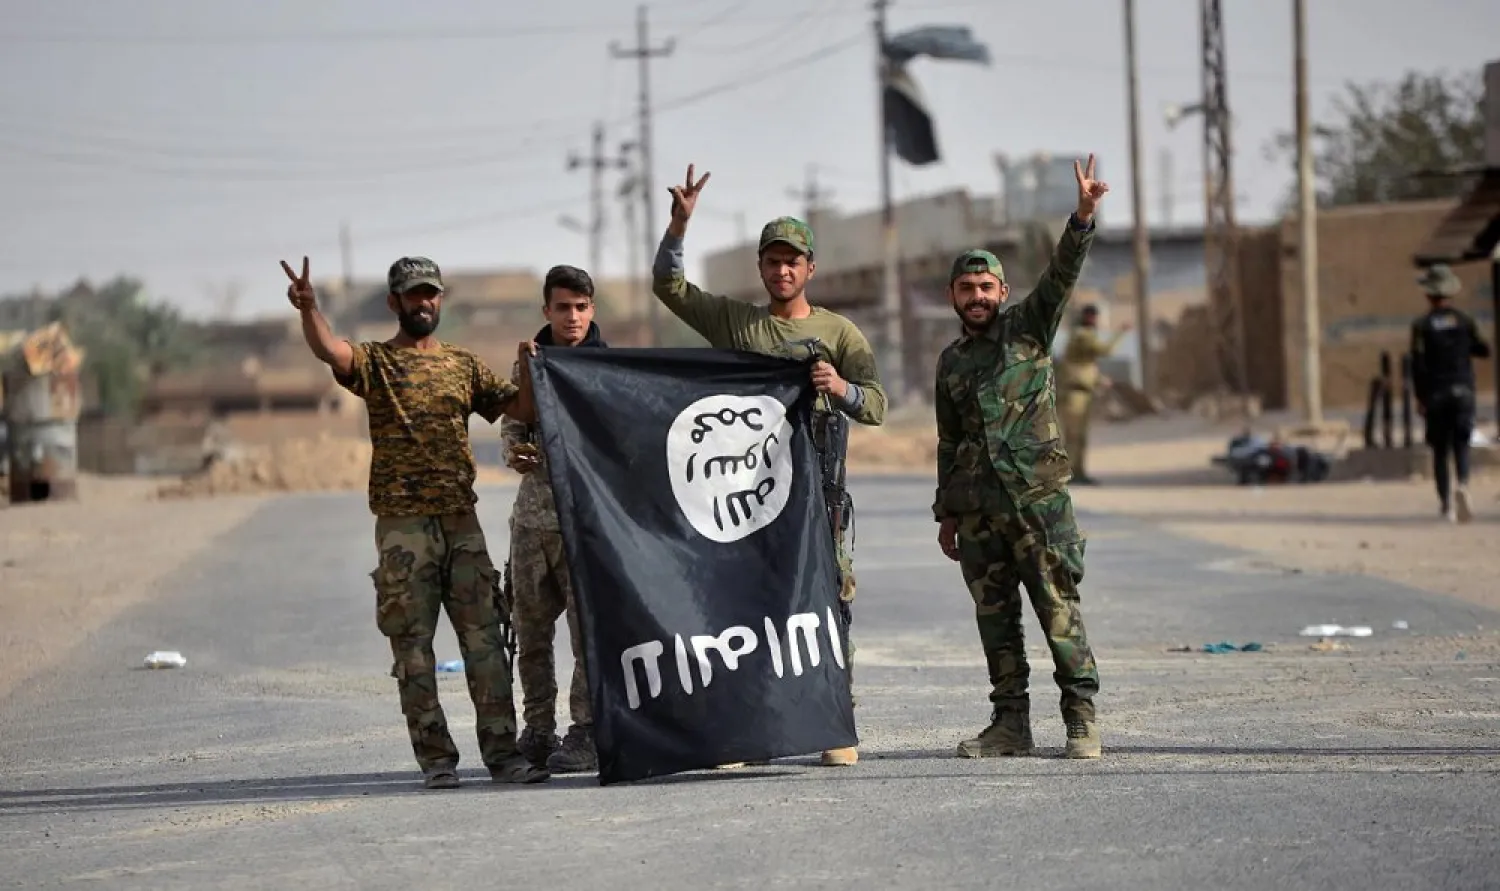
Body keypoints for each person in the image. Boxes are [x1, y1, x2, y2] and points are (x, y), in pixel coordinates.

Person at [280, 254, 551, 789]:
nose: (422, 303)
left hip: (461, 521)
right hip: (403, 527)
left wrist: (532, 369)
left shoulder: (463, 365)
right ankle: (437, 761)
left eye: (430, 294)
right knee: (413, 649)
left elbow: (522, 410)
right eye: (412, 295)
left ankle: (504, 757)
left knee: (486, 645)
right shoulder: (376, 363)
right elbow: (328, 349)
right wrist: (311, 310)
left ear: (439, 300)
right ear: (394, 303)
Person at [651, 163, 887, 768]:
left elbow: (877, 405)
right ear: (760, 268)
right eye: (773, 261)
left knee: (826, 604)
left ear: (810, 269)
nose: (783, 270)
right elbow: (670, 289)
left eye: (793, 261)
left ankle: (832, 718)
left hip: (819, 497)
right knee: (740, 606)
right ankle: (744, 728)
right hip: (746, 497)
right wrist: (679, 227)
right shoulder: (738, 323)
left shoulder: (840, 333)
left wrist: (840, 388)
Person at [932, 154, 1109, 760]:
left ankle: (1081, 718)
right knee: (996, 622)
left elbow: (1061, 274)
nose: (977, 296)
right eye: (966, 288)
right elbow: (949, 441)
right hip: (980, 515)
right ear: (953, 296)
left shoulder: (1029, 330)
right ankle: (1010, 723)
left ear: (1002, 292)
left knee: (1058, 609)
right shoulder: (951, 364)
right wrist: (947, 513)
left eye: (986, 287)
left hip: (1038, 507)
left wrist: (1082, 217)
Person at [505, 264, 609, 774]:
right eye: (563, 307)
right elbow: (513, 424)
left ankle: (585, 731)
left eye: (582, 307)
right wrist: (515, 451)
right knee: (531, 634)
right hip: (531, 523)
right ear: (546, 310)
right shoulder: (530, 362)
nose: (573, 317)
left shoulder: (605, 369)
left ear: (593, 310)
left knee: (587, 633)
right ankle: (538, 730)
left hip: (583, 524)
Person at [1410, 263, 1491, 524]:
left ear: (1428, 294)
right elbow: (1483, 349)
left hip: (1436, 394)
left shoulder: (1421, 326)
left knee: (1440, 451)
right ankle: (1464, 485)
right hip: (1463, 390)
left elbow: (1417, 364)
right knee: (1461, 444)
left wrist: (1420, 397)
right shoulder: (1465, 321)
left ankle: (1446, 505)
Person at [1057, 305, 1131, 485]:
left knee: (1080, 437)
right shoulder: (1082, 335)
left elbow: (1084, 365)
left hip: (1081, 393)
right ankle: (1069, 474)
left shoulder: (1081, 336)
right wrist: (1120, 333)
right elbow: (1106, 351)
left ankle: (1078, 473)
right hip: (1075, 394)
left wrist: (1098, 379)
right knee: (1073, 437)